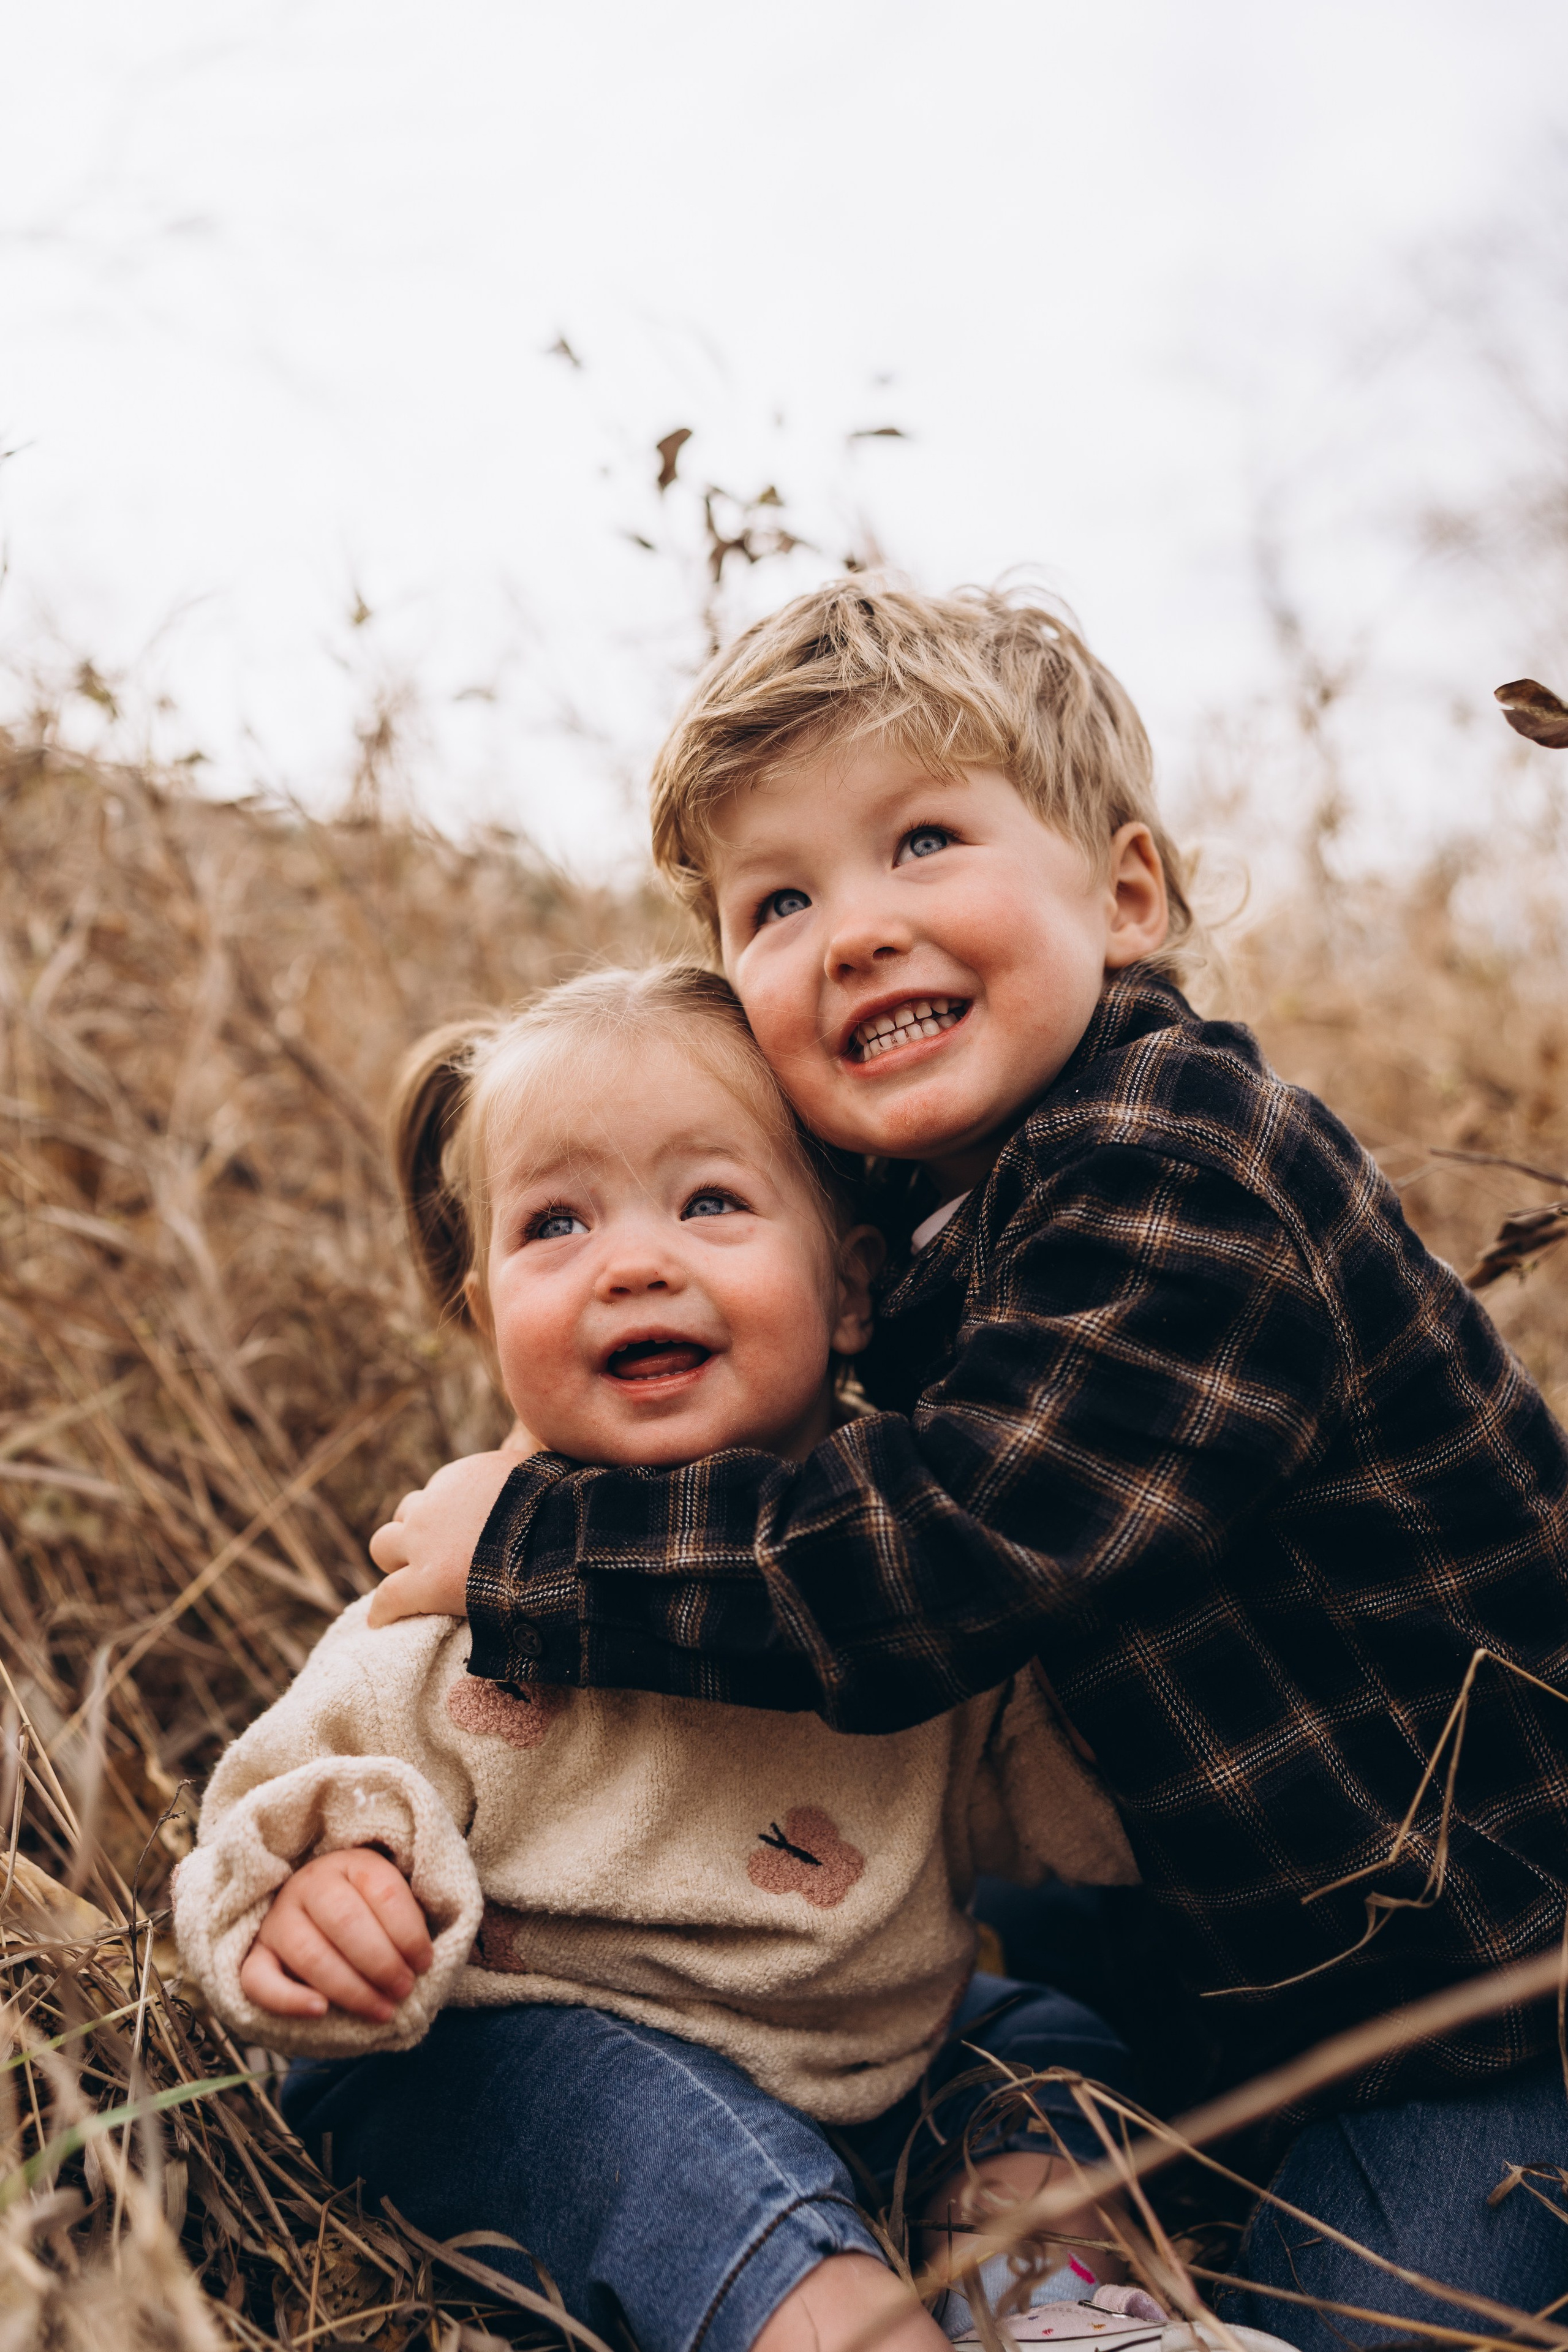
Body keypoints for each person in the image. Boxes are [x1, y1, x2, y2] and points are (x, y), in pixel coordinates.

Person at [368, 582, 1568, 2351]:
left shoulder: (1183, 1163)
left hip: (1477, 1997)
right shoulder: (938, 1228)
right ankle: (963, 2208)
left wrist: (539, 1548)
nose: (856, 931)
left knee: (1382, 2318)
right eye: (778, 902)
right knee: (901, 1965)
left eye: (922, 842)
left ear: (1126, 896)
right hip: (1235, 1953)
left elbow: (945, 1553)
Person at [175, 963, 1147, 2352]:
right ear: (484, 1311)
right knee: (677, 2141)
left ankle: (1052, 2307)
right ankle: (836, 2318)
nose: (632, 1263)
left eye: (709, 1202)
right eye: (555, 1224)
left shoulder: (902, 1567)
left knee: (1041, 2048)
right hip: (524, 2058)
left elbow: (1070, 1806)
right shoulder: (470, 1579)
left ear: (851, 1287)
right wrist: (325, 1890)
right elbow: (281, 1805)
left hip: (858, 2059)